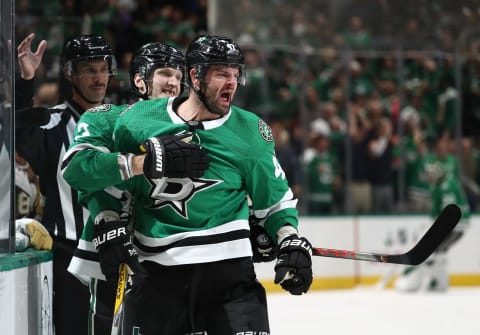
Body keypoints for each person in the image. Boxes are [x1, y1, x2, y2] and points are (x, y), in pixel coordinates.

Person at [95, 34, 313, 334]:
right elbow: (114, 187)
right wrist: (106, 221)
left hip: (229, 278)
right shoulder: (137, 121)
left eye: (236, 74)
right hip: (158, 276)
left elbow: (275, 203)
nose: (232, 82)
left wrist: (288, 239)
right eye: (222, 73)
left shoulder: (251, 131)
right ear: (195, 76)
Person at [62, 41, 210, 335]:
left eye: (179, 77)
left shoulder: (193, 129)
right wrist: (106, 213)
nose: (174, 83)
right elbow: (78, 169)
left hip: (177, 258)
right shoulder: (106, 117)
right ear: (140, 80)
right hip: (116, 254)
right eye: (166, 73)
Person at [15, 34, 119, 335]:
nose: (98, 77)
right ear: (70, 73)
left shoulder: (123, 122)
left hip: (117, 254)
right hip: (69, 256)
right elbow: (19, 133)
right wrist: (26, 80)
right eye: (89, 69)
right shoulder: (53, 123)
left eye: (102, 68)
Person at [395, 134, 470, 292]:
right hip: (462, 225)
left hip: (454, 226)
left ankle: (431, 283)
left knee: (433, 252)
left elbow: (445, 211)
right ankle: (439, 283)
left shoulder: (443, 187)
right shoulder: (449, 181)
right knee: (439, 251)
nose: (429, 179)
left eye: (431, 176)